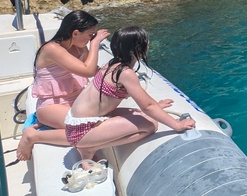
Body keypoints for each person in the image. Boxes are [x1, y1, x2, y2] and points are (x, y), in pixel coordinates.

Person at [65, 27, 195, 168]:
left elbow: (144, 101)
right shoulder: (125, 73)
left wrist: (157, 106)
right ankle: (90, 148)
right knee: (150, 125)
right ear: (138, 49)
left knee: (139, 114)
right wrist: (177, 125)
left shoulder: (111, 64)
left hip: (77, 124)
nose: (148, 45)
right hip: (82, 131)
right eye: (146, 42)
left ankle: (88, 145)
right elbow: (147, 106)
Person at [16, 10, 110, 161]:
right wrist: (95, 44)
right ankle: (32, 136)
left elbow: (94, 70)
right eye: (90, 34)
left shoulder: (79, 46)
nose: (92, 38)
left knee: (100, 125)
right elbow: (87, 70)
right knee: (83, 131)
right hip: (51, 105)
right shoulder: (52, 49)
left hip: (75, 101)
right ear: (75, 33)